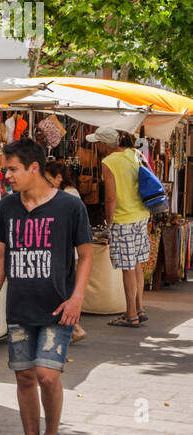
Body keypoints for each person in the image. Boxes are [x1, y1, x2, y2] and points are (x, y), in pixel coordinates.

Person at [0, 140, 92, 435]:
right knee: (24, 377)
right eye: (6, 169)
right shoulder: (8, 207)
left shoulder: (69, 207)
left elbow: (86, 255)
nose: (7, 176)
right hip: (20, 307)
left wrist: (77, 299)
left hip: (58, 308)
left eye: (13, 169)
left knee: (47, 376)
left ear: (34, 168)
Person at [90, 127, 151, 328]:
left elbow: (110, 197)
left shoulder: (109, 162)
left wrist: (110, 221)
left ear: (105, 144)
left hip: (123, 219)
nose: (96, 146)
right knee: (137, 264)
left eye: (98, 142)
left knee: (127, 268)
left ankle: (131, 314)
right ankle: (139, 307)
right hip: (142, 215)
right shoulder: (135, 153)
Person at [43, 161, 87, 344]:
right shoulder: (70, 194)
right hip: (70, 250)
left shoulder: (67, 197)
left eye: (48, 179)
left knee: (64, 290)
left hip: (68, 250)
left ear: (58, 177)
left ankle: (75, 327)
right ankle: (75, 327)